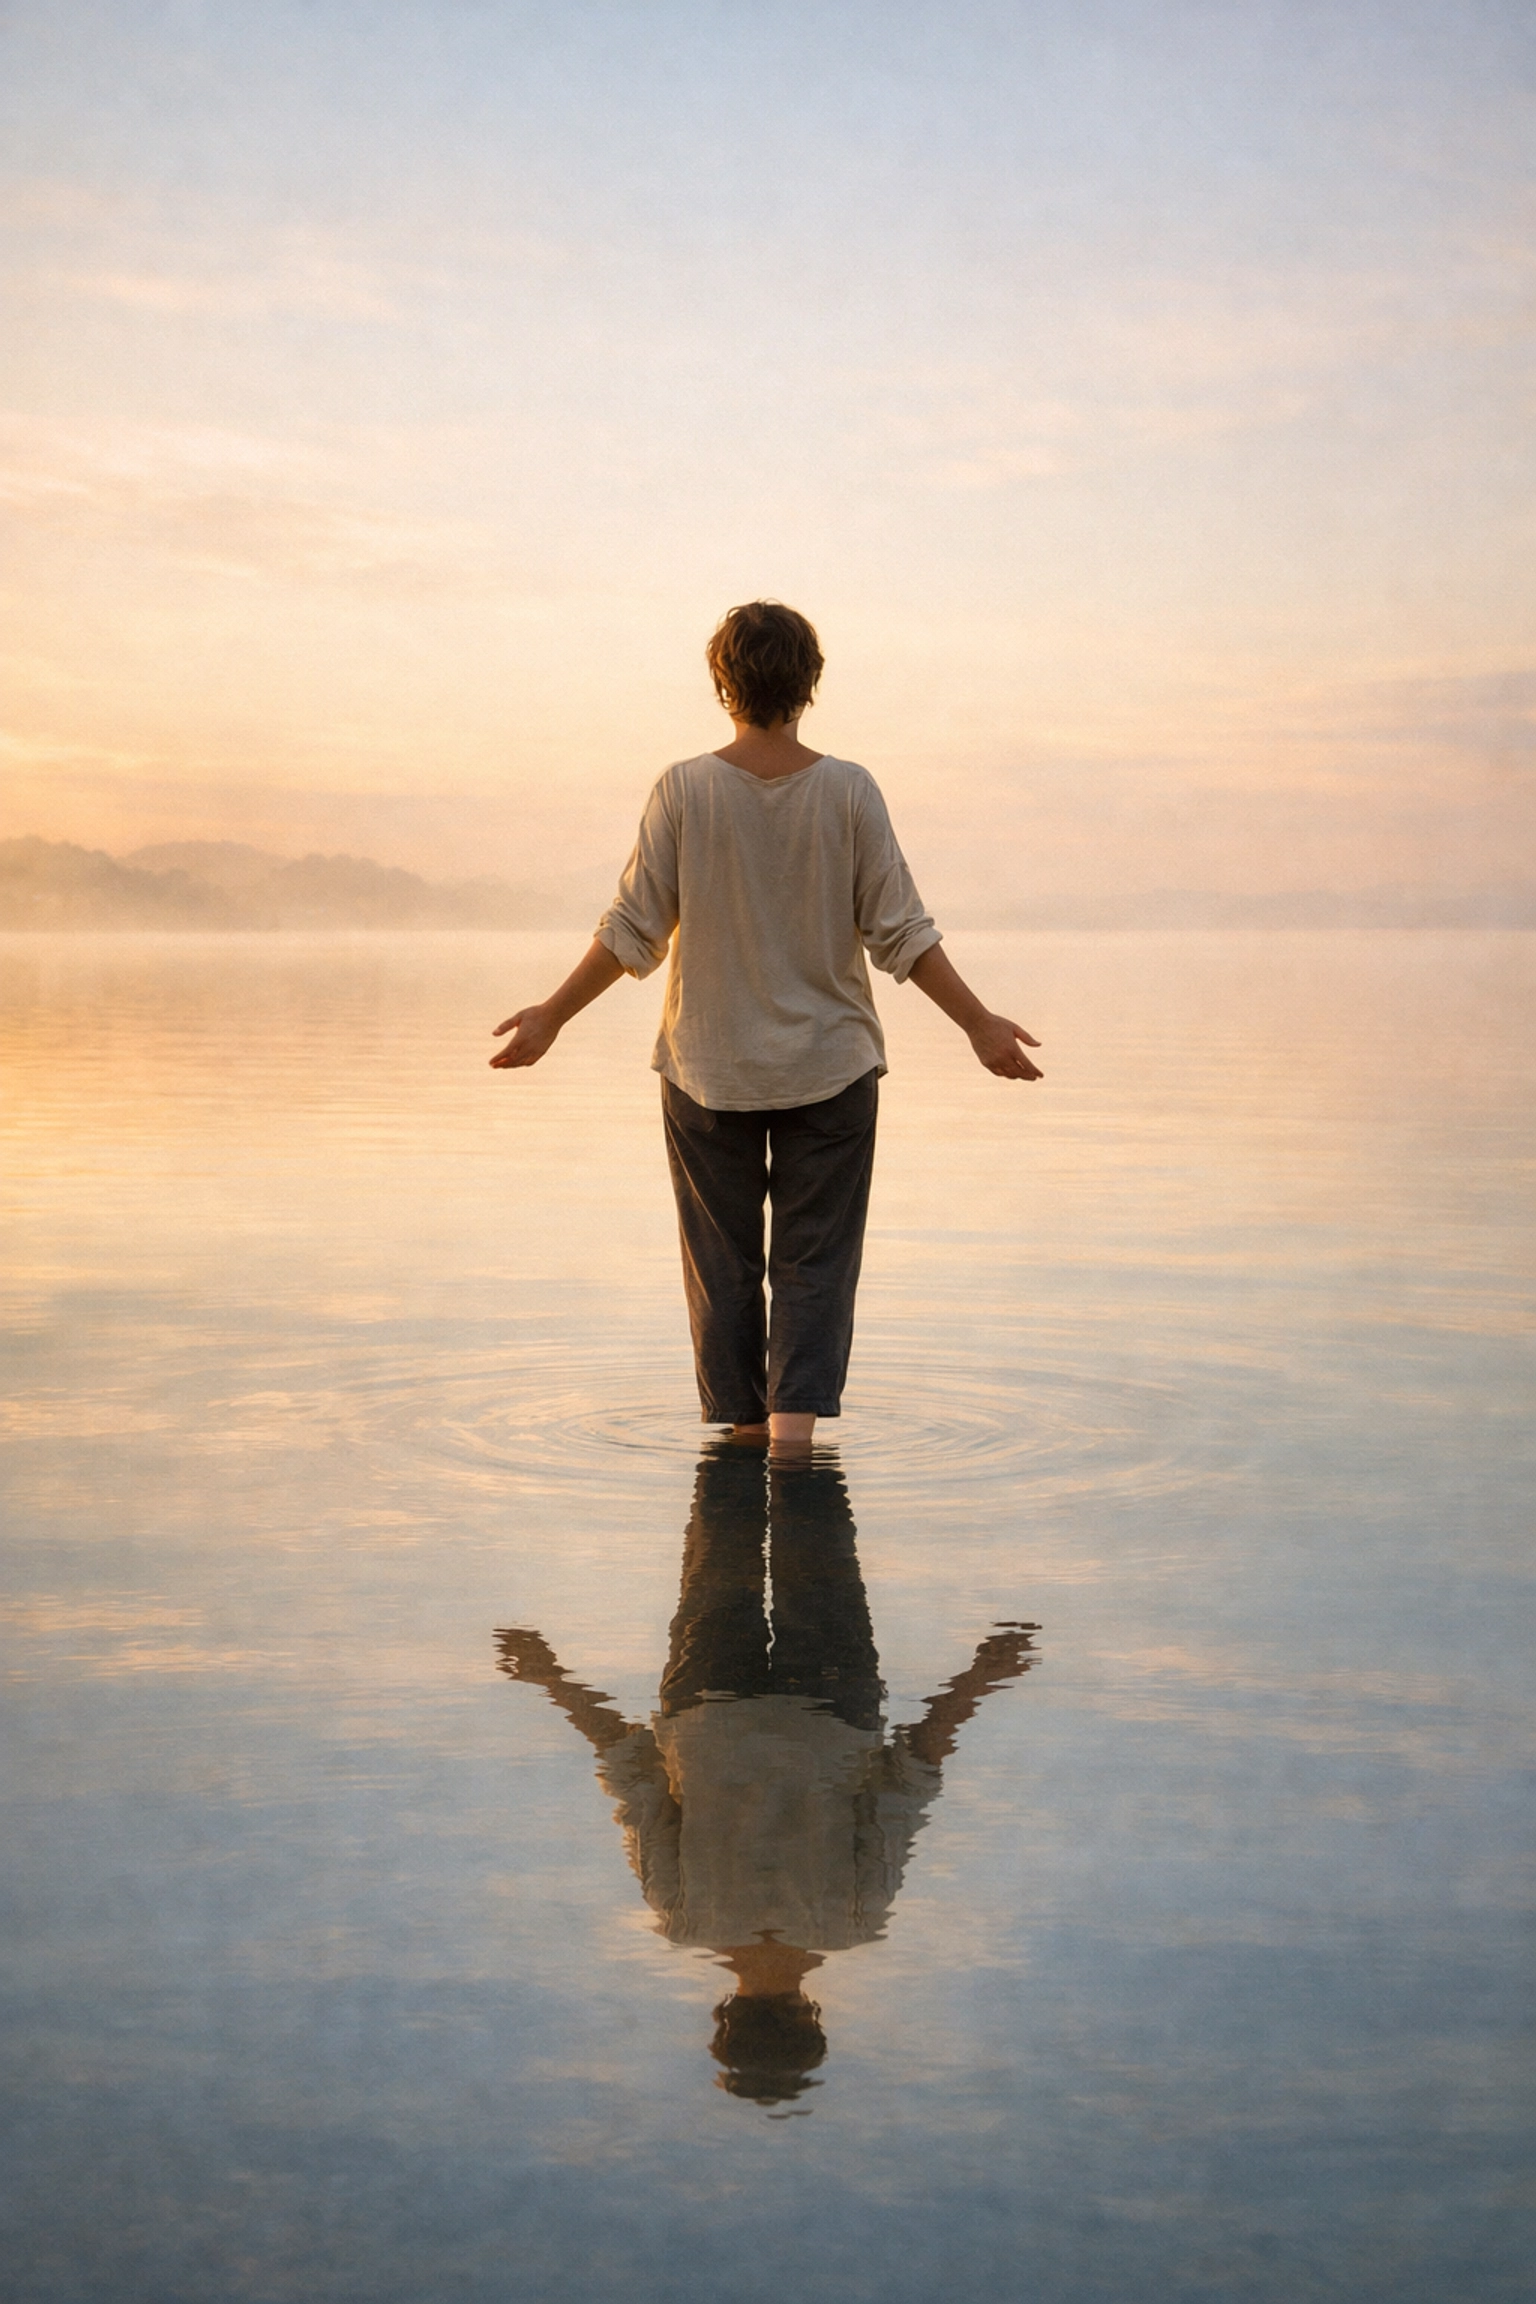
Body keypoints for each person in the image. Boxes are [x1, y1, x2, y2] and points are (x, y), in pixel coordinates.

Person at [490, 600, 1042, 1450]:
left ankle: (745, 1451)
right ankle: (793, 1454)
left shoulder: (684, 788)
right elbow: (902, 930)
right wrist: (978, 1024)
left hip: (708, 1069)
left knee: (724, 1269)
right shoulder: (849, 790)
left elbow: (633, 928)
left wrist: (553, 1015)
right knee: (815, 1267)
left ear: (723, 683)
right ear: (810, 683)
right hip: (833, 1070)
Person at [496, 1448, 1040, 2106]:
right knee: (721, 1527)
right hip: (708, 1704)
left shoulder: (853, 1920)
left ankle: (787, 1426)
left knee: (817, 1528)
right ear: (722, 2017)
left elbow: (910, 1778)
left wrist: (981, 1675)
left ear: (813, 2017)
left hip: (831, 1701)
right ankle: (747, 1421)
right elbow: (632, 1778)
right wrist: (549, 1675)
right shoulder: (683, 1918)